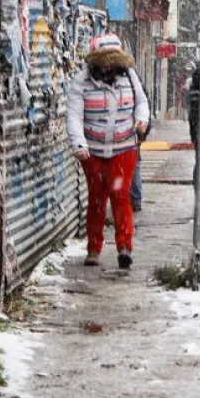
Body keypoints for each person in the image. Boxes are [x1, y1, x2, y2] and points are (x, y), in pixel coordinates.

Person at [67, 33, 150, 269]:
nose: (109, 65)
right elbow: (74, 115)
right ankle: (93, 248)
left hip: (124, 146)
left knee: (120, 193)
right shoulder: (81, 82)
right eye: (105, 60)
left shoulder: (129, 77)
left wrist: (141, 120)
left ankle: (125, 246)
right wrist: (79, 144)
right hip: (92, 149)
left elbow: (142, 102)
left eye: (113, 60)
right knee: (96, 197)